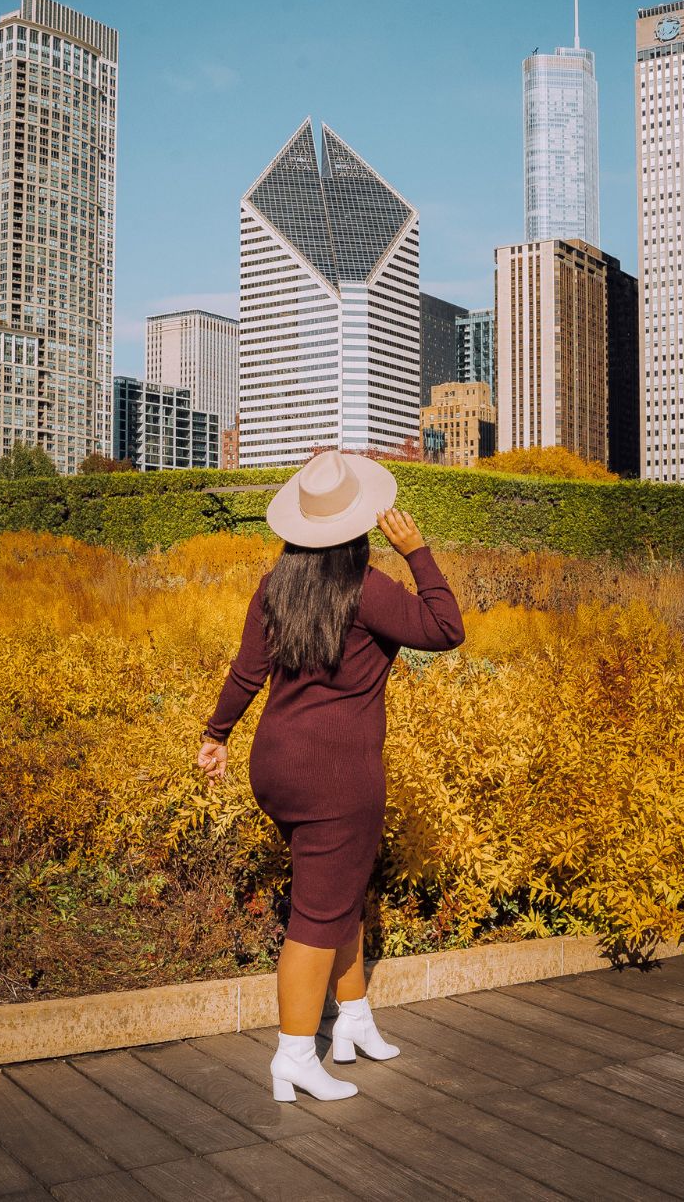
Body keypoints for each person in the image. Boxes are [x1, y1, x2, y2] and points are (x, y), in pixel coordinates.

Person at [197, 449, 464, 1103]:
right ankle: (294, 1055)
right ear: (362, 525)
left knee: (336, 891)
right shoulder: (368, 588)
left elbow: (244, 674)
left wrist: (215, 735)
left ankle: (354, 1021)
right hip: (336, 778)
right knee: (316, 917)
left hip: (276, 767)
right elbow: (447, 628)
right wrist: (419, 552)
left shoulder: (275, 586)